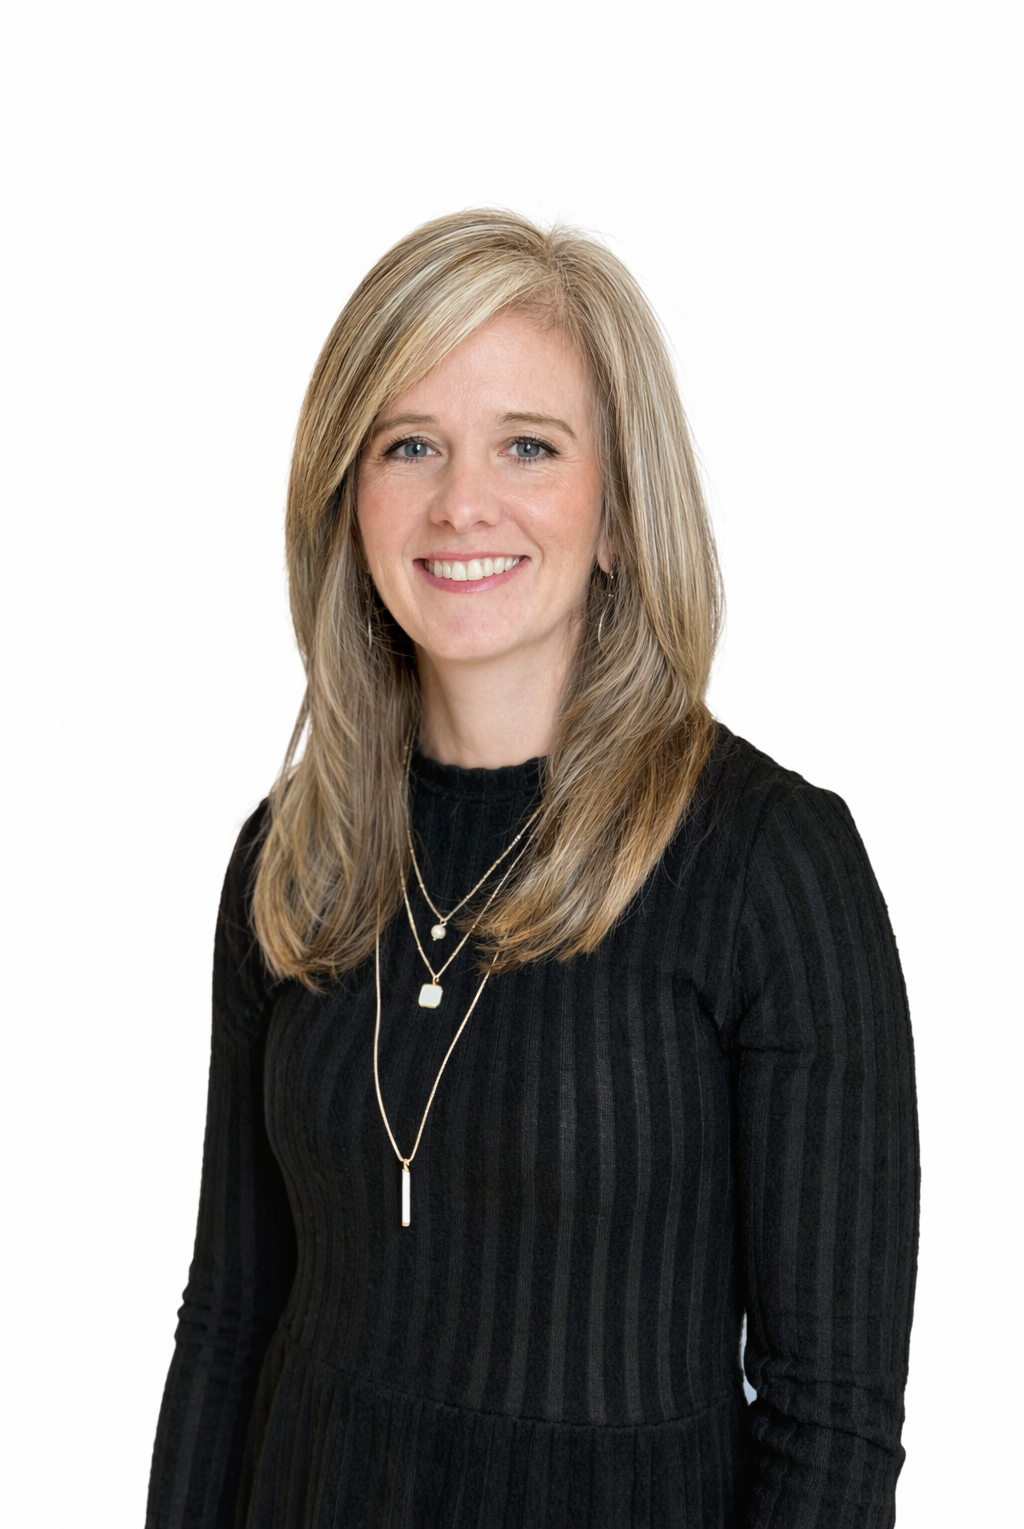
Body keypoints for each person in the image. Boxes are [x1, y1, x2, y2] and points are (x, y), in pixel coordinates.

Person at [146, 210, 919, 1529]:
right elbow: (228, 1327)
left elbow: (831, 1424)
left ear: (618, 513)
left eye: (527, 446)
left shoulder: (770, 866)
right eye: (409, 446)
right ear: (349, 501)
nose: (462, 503)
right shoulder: (292, 856)